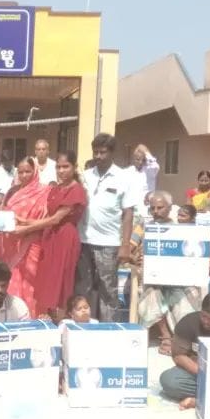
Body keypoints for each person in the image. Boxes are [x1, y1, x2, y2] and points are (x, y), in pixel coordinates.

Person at [17, 151, 87, 320]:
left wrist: (26, 227)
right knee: (47, 281)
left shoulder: (76, 190)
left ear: (74, 167)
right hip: (49, 238)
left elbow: (56, 219)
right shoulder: (56, 189)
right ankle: (47, 321)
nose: (61, 171)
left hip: (65, 238)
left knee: (61, 283)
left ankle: (62, 322)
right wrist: (25, 221)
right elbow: (47, 216)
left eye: (65, 167)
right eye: (58, 167)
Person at [131, 191, 201, 355]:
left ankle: (183, 336)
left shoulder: (180, 227)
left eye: (160, 208)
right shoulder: (144, 225)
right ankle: (166, 336)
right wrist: (135, 259)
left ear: (170, 208)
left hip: (176, 277)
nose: (155, 211)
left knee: (189, 294)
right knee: (153, 294)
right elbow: (129, 249)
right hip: (151, 278)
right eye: (152, 208)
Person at [74, 133, 134, 322]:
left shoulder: (123, 177)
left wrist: (125, 244)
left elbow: (128, 213)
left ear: (112, 152)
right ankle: (84, 326)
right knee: (83, 287)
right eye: (95, 152)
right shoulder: (85, 176)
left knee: (107, 289)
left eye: (102, 152)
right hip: (83, 241)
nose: (98, 156)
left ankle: (108, 329)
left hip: (108, 243)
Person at [1, 157, 51, 316]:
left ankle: (33, 318)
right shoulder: (12, 191)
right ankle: (14, 318)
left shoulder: (45, 192)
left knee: (32, 283)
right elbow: (3, 214)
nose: (23, 175)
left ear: (35, 171)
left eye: (28, 171)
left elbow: (47, 220)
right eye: (20, 172)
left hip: (33, 244)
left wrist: (25, 228)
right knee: (13, 281)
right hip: (12, 245)